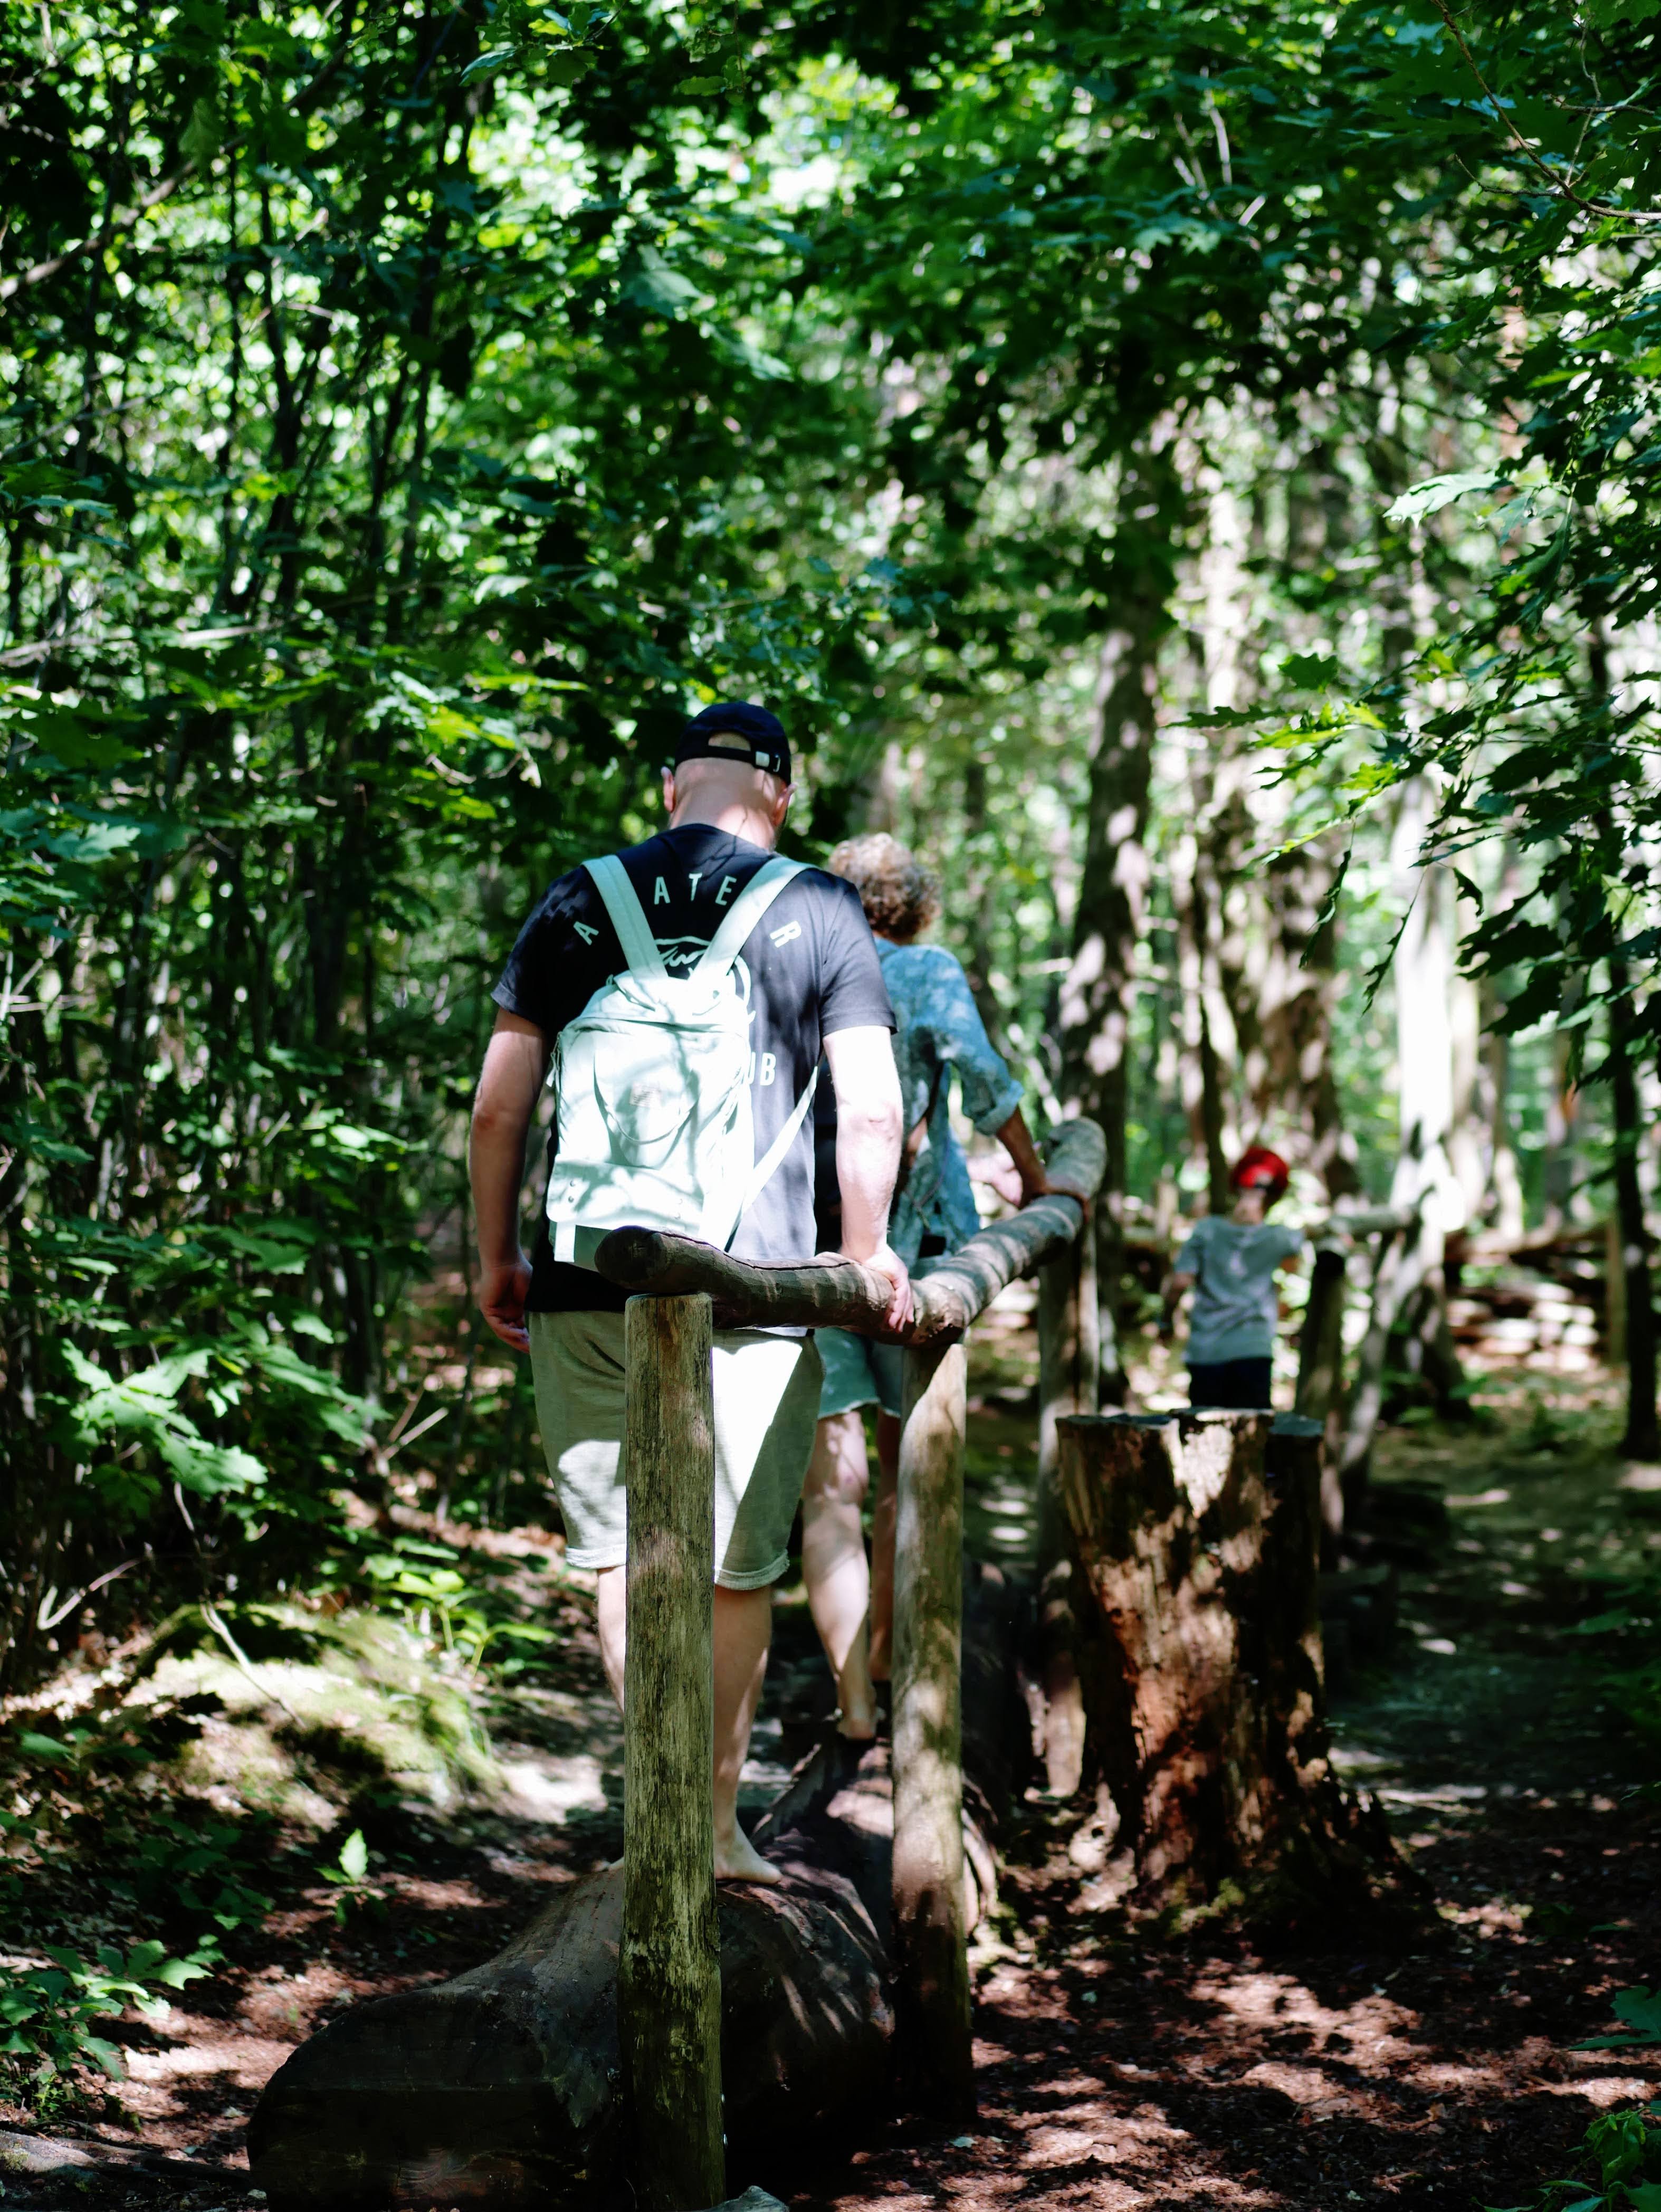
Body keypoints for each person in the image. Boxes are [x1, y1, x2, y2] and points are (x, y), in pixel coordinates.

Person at [468, 702, 912, 1883]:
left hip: (584, 1275)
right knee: (733, 1566)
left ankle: (653, 1810)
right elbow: (870, 1104)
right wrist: (864, 1255)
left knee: (622, 1553)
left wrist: (494, 1254)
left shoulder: (579, 896)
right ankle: (711, 1829)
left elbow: (497, 1105)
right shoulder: (819, 907)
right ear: (781, 791)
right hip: (753, 1286)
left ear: (673, 786)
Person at [800, 831, 1084, 1739]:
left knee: (827, 1489)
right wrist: (1036, 1180)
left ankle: (850, 1702)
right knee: (900, 1474)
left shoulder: (799, 963)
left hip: (800, 1246)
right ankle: (889, 1654)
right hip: (908, 1242)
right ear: (916, 901)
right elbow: (983, 1078)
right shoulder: (923, 969)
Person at [1161, 1147, 1305, 1409]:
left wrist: (1165, 1321)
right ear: (1276, 1196)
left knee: (1203, 1437)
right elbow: (1307, 1243)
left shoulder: (1206, 1231)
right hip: (1254, 1349)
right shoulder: (1281, 1237)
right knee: (1251, 1438)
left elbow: (1180, 1282)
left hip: (1207, 1351)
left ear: (1235, 1186)